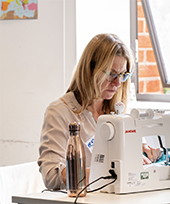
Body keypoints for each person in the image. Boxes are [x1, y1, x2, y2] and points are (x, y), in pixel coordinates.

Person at [38, 33, 162, 190]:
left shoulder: (118, 110)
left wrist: (144, 151)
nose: (118, 83)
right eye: (111, 74)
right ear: (90, 69)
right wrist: (109, 171)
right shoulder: (60, 112)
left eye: (123, 75)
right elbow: (51, 177)